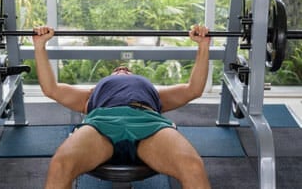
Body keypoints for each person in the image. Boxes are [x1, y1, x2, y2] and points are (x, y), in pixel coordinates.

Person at [32, 25, 211, 189]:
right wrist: (40, 46)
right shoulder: (91, 94)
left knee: (193, 167)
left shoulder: (153, 93)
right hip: (101, 123)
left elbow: (193, 89)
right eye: (118, 70)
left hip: (148, 122)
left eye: (126, 70)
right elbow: (51, 89)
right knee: (60, 166)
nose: (122, 69)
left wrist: (203, 46)